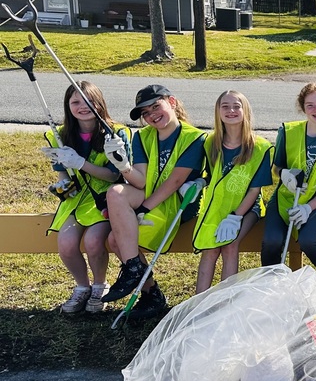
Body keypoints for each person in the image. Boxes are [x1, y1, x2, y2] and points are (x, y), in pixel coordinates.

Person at [102, 85, 206, 320]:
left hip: (179, 204)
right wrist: (123, 166)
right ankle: (142, 279)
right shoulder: (143, 136)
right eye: (145, 113)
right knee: (116, 192)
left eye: (155, 106)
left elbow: (175, 182)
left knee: (115, 240)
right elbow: (140, 182)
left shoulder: (194, 137)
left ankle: (145, 288)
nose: (151, 115)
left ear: (172, 102)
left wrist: (144, 208)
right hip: (151, 197)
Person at [260, 83, 316, 311]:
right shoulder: (288, 131)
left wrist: (308, 208)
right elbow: (276, 166)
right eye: (310, 105)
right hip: (285, 198)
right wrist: (283, 173)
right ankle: (272, 287)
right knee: (272, 241)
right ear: (303, 109)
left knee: (308, 240)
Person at [40, 81, 131, 316]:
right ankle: (82, 287)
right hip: (75, 202)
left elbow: (114, 175)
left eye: (89, 100)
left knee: (93, 242)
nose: (83, 106)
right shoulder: (59, 135)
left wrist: (81, 163)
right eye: (76, 102)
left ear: (99, 102)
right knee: (67, 245)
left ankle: (100, 286)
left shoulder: (116, 132)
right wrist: (62, 184)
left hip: (104, 201)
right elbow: (63, 174)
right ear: (67, 106)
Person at [192, 90, 273, 293]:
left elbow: (255, 189)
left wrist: (235, 218)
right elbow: (211, 176)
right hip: (218, 206)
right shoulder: (211, 143)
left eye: (237, 106)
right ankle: (198, 303)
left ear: (245, 110)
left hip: (247, 209)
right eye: (225, 106)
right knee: (210, 249)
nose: (231, 110)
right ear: (218, 112)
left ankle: (224, 301)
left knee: (230, 244)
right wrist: (199, 183)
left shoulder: (260, 147)